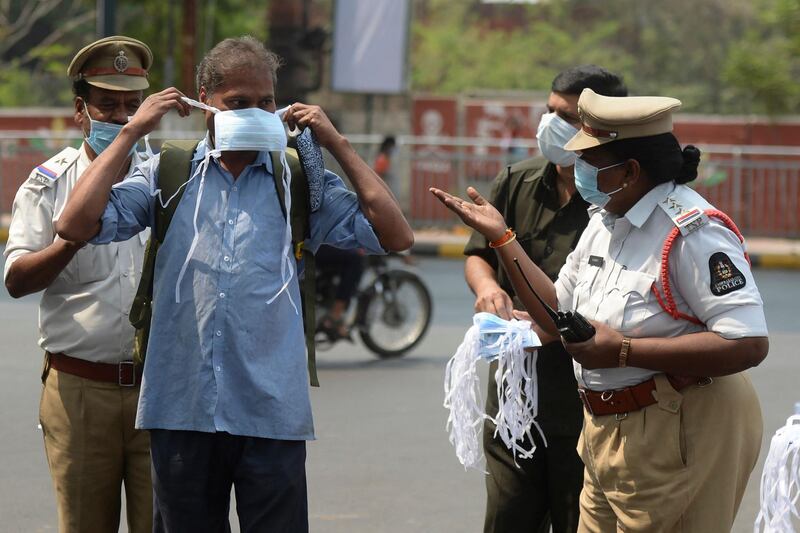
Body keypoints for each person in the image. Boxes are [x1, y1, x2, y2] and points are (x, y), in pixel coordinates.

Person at [55, 36, 413, 532]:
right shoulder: (168, 173)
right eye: (238, 104)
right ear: (205, 102)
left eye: (266, 101)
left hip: (271, 414)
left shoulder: (298, 180)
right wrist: (131, 132)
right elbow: (73, 225)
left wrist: (337, 143)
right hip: (182, 412)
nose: (257, 112)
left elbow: (395, 236)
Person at [433, 88, 768, 532]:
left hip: (681, 424)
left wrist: (624, 350)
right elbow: (558, 311)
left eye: (591, 161)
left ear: (630, 170)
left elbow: (746, 342)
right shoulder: (605, 219)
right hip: (603, 428)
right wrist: (503, 239)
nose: (579, 169)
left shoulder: (692, 232)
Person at [464, 65, 627, 533]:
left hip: (586, 405)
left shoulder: (619, 200)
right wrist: (488, 290)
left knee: (579, 522)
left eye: (568, 117)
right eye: (549, 111)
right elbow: (479, 257)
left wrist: (557, 327)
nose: (551, 125)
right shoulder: (517, 180)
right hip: (515, 397)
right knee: (507, 518)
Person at [3, 36, 154, 532]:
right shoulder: (49, 184)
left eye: (133, 106)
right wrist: (71, 238)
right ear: (80, 111)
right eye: (107, 105)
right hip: (81, 389)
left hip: (163, 389)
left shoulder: (173, 175)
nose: (122, 118)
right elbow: (17, 279)